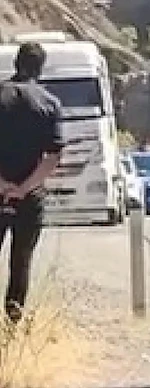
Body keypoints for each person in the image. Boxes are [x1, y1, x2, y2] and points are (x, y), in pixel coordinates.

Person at [0, 42, 64, 323]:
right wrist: (24, 187)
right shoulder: (50, 103)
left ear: (16, 64)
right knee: (21, 261)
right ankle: (12, 325)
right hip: (30, 194)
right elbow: (53, 155)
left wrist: (2, 183)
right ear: (40, 68)